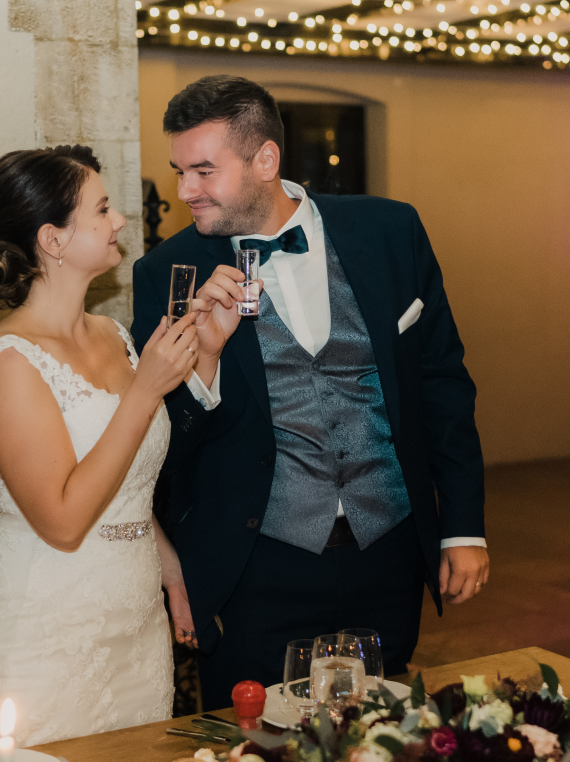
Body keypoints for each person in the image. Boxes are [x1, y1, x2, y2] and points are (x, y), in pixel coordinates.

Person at [132, 75, 489, 709]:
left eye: (205, 171)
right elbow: (160, 441)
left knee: (381, 740)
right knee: (251, 751)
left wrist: (462, 527)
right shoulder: (167, 272)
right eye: (180, 171)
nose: (186, 190)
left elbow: (443, 385)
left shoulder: (390, 231)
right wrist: (203, 367)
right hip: (253, 569)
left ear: (265, 160)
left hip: (387, 553)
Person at [0, 145, 200, 746]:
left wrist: (170, 567)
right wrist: (145, 392)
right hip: (47, 633)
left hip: (136, 622)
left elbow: (125, 473)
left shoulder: (114, 335)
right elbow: (63, 521)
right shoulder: (9, 364)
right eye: (102, 208)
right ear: (53, 239)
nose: (120, 220)